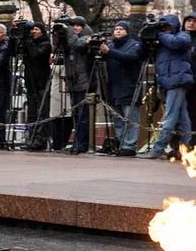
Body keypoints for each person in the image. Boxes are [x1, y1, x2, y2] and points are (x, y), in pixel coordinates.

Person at [140, 14, 192, 159]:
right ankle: (185, 148)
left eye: (167, 26)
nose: (164, 29)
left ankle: (158, 148)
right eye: (162, 27)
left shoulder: (183, 35)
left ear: (175, 25)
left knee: (170, 116)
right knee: (182, 117)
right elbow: (142, 54)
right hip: (168, 82)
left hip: (177, 80)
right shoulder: (161, 41)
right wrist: (145, 38)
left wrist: (159, 33)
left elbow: (176, 43)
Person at [100, 21, 143, 157]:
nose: (118, 31)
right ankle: (121, 142)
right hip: (113, 87)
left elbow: (130, 57)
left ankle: (129, 145)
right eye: (116, 29)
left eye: (121, 29)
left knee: (130, 118)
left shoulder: (134, 45)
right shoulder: (111, 45)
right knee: (117, 118)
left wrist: (109, 52)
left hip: (129, 87)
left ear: (127, 31)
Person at [60, 16, 94, 153]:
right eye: (73, 26)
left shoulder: (87, 37)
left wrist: (69, 32)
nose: (75, 28)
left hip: (84, 81)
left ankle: (82, 143)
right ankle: (77, 141)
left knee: (82, 115)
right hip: (73, 80)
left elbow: (77, 45)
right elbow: (61, 47)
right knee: (76, 114)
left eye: (78, 26)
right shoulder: (71, 37)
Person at [21, 22, 52, 151]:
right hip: (30, 81)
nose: (33, 31)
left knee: (42, 112)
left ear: (42, 31)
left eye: (36, 29)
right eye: (32, 29)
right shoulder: (28, 42)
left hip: (41, 82)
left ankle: (41, 138)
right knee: (32, 112)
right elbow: (15, 52)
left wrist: (28, 41)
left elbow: (36, 55)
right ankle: (31, 137)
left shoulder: (45, 44)